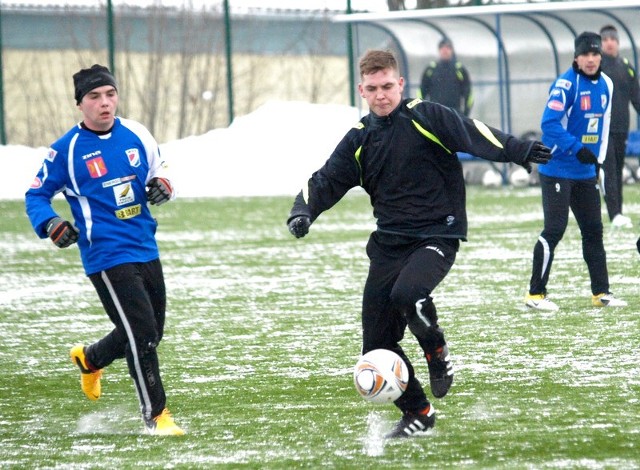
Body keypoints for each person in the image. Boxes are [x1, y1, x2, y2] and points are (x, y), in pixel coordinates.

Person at [286, 49, 551, 439]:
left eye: (388, 87)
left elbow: (472, 132)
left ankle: (436, 352)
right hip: (389, 244)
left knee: (408, 293)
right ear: (362, 89)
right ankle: (418, 413)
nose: (381, 95)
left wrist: (518, 149)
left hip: (437, 234)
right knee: (375, 345)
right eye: (373, 89)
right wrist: (303, 210)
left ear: (400, 84)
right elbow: (326, 179)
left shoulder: (426, 116)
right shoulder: (360, 138)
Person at [25, 64, 184, 436]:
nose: (105, 103)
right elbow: (36, 195)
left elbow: (161, 168)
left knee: (148, 332)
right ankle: (157, 416)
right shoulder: (65, 151)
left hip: (145, 244)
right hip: (106, 255)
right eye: (94, 97)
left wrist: (164, 184)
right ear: (80, 104)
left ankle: (90, 358)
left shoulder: (136, 133)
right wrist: (51, 224)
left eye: (110, 94)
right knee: (141, 333)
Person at [524, 32, 627, 312]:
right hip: (557, 168)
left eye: (595, 54)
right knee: (555, 229)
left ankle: (601, 293)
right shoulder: (566, 84)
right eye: (585, 55)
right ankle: (535, 295)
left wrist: (599, 161)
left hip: (585, 172)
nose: (591, 59)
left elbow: (604, 126)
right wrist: (576, 147)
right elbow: (549, 124)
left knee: (594, 230)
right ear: (576, 58)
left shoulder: (606, 84)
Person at [599, 24, 640, 229]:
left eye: (613, 39)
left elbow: (637, 97)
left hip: (621, 128)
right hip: (601, 130)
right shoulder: (596, 66)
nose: (609, 42)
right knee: (608, 170)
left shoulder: (626, 66)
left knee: (617, 170)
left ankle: (618, 212)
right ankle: (614, 213)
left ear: (618, 42)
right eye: (605, 39)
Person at [419, 37, 473, 116]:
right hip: (435, 115)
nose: (445, 50)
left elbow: (468, 94)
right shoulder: (431, 69)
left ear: (452, 50)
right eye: (442, 48)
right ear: (439, 50)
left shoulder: (459, 69)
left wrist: (465, 115)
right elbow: (421, 92)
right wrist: (423, 112)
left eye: (448, 48)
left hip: (455, 115)